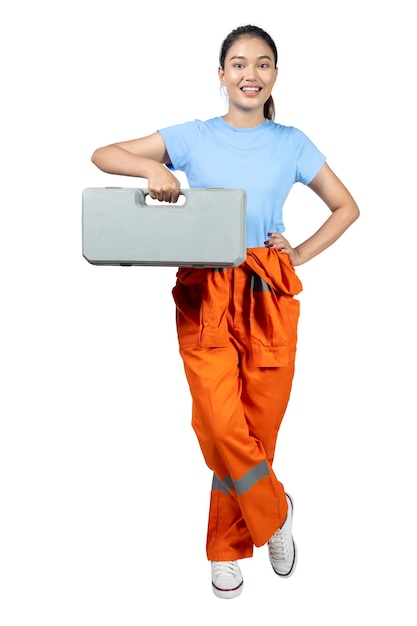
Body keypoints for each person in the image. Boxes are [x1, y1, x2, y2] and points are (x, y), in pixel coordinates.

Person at [91, 24, 360, 599]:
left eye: (262, 65)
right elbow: (102, 153)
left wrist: (300, 254)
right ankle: (273, 509)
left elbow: (346, 207)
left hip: (267, 288)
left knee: (256, 427)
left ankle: (223, 548)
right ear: (220, 74)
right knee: (218, 419)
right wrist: (151, 169)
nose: (250, 74)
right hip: (205, 287)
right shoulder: (192, 136)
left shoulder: (292, 142)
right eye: (238, 64)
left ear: (275, 77)